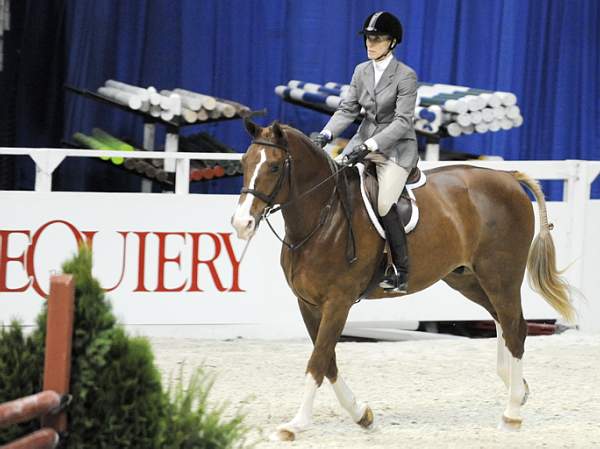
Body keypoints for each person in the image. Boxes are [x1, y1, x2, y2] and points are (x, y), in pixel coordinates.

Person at [312, 11, 418, 294]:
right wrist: (326, 134)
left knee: (384, 203)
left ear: (392, 42)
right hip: (362, 142)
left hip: (395, 148)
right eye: (368, 39)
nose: (370, 44)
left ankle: (400, 271)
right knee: (335, 185)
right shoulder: (361, 70)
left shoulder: (406, 76)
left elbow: (402, 121)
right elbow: (348, 109)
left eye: (377, 39)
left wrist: (371, 146)